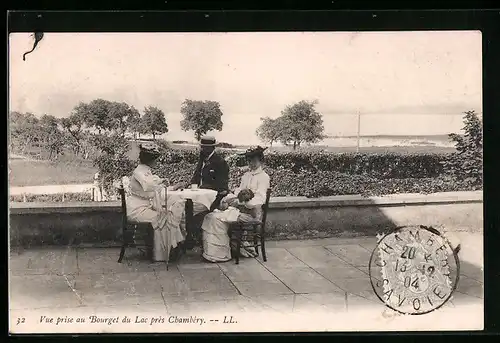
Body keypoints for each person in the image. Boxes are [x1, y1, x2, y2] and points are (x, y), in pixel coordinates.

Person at [201, 146, 271, 262]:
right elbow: (239, 190)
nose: (251, 164)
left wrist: (240, 202)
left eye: (254, 161)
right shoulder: (246, 175)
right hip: (240, 210)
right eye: (249, 161)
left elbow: (260, 199)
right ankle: (213, 253)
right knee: (210, 216)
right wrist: (230, 199)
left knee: (216, 219)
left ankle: (220, 255)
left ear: (261, 160)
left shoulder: (264, 177)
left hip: (252, 214)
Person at [126, 143, 185, 263]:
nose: (157, 162)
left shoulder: (146, 171)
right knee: (163, 218)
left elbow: (155, 187)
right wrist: (161, 183)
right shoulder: (139, 172)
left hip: (144, 206)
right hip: (137, 209)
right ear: (150, 160)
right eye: (156, 160)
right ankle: (163, 253)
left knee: (166, 215)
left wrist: (171, 186)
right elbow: (148, 186)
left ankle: (171, 248)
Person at [186, 136, 230, 247]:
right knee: (184, 207)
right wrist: (189, 186)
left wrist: (206, 188)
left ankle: (191, 239)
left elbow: (222, 186)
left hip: (213, 199)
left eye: (205, 148)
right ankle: (189, 239)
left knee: (188, 212)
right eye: (202, 147)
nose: (202, 150)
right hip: (199, 196)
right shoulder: (202, 160)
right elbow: (196, 177)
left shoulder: (220, 162)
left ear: (211, 148)